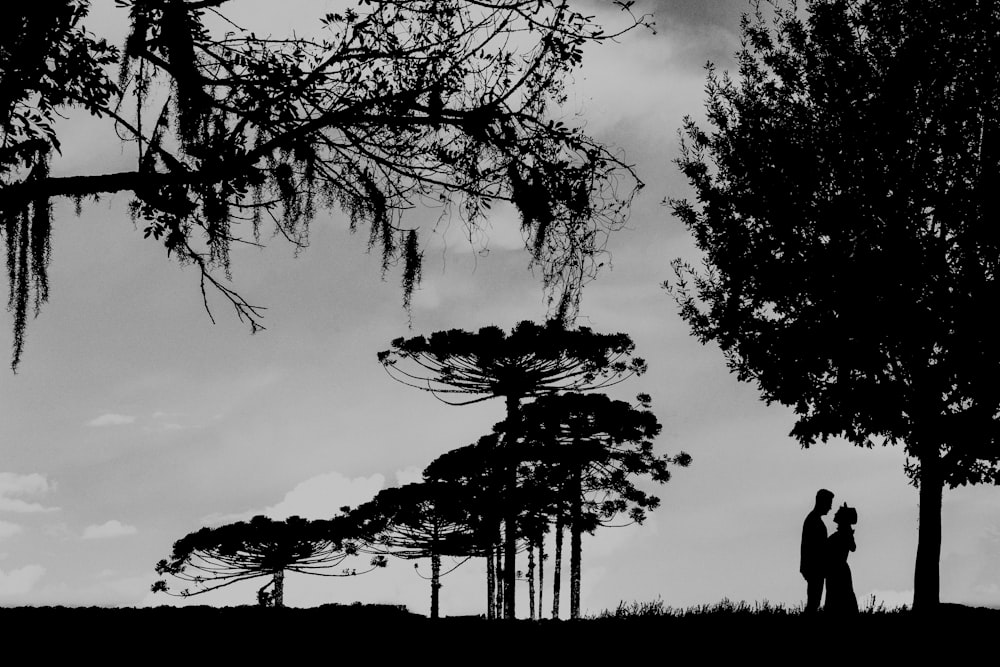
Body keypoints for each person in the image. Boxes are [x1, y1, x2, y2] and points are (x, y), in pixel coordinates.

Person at [801, 488, 834, 613]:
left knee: (814, 602)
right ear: (823, 502)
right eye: (829, 503)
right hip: (815, 568)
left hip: (815, 568)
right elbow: (813, 548)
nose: (830, 508)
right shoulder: (814, 521)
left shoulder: (813, 520)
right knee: (813, 603)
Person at [825, 503, 859, 615]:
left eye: (838, 513)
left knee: (837, 599)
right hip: (839, 570)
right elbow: (853, 547)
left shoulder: (841, 535)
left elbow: (852, 547)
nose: (835, 514)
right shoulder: (844, 534)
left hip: (836, 571)